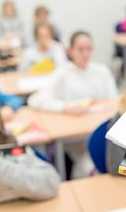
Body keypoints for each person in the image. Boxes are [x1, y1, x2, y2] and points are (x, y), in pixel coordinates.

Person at [28, 30, 118, 179]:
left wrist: (102, 103)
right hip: (75, 138)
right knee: (89, 166)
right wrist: (65, 107)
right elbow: (36, 99)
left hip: (102, 132)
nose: (85, 54)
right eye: (80, 49)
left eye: (89, 49)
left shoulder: (102, 71)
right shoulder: (63, 73)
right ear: (70, 50)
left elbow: (114, 100)